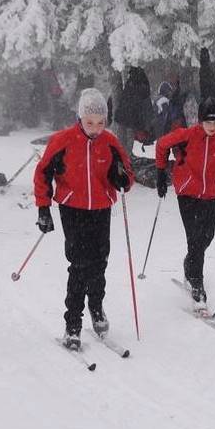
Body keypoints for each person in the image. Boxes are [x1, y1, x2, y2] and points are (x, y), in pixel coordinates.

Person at [33, 88, 135, 350]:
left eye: (100, 123)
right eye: (90, 123)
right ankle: (73, 324)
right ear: (80, 118)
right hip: (73, 208)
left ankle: (96, 307)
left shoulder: (110, 142)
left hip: (101, 208)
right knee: (79, 264)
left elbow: (126, 172)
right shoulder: (64, 140)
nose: (95, 128)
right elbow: (43, 173)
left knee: (99, 261)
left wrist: (122, 178)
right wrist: (43, 208)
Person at [155, 99, 215, 313]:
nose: (212, 127)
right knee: (196, 238)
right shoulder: (188, 135)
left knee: (207, 236)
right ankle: (197, 287)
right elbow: (162, 144)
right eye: (208, 122)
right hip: (187, 192)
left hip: (210, 195)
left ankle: (190, 264)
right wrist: (161, 172)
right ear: (200, 121)